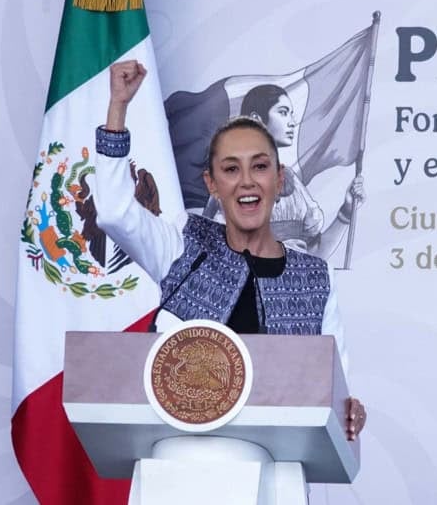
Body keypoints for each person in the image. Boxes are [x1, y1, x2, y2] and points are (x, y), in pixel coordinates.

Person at [94, 60, 366, 440]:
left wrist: (349, 410)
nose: (246, 182)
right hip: (177, 467)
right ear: (212, 183)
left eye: (259, 166)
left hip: (274, 478)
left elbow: (335, 388)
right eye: (231, 169)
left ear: (279, 178)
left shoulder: (317, 279)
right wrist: (117, 109)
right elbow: (113, 212)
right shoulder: (183, 244)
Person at [203, 83, 365, 259]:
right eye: (283, 112)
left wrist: (346, 212)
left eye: (291, 114)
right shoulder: (228, 184)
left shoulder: (292, 182)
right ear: (257, 119)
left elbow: (315, 255)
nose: (292, 122)